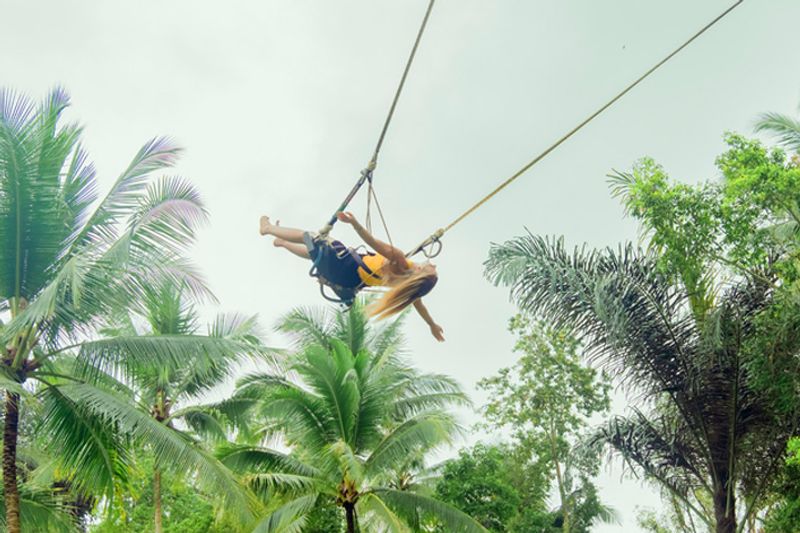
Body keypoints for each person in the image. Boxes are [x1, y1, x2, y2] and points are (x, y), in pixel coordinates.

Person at [260, 212, 445, 341]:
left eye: (432, 269)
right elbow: (421, 309)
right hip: (346, 282)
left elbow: (373, 243)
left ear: (421, 272)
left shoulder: (399, 260)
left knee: (313, 238)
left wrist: (354, 223)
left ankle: (267, 228)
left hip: (346, 265)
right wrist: (432, 325)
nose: (433, 264)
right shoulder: (409, 288)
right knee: (315, 253)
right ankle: (282, 242)